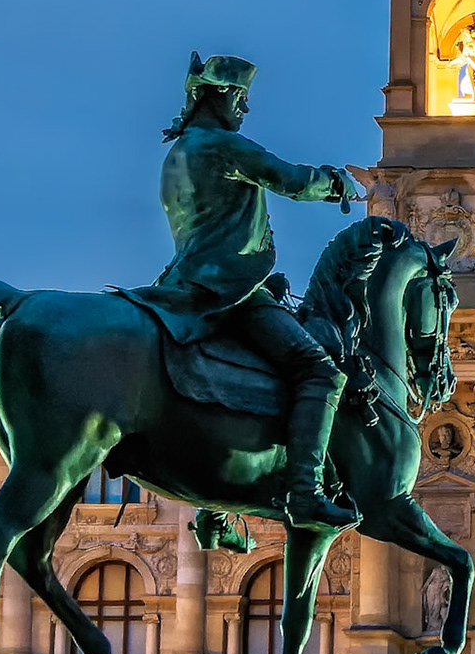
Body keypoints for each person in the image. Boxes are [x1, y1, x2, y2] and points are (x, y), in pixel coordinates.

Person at [134, 53, 361, 530]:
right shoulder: (222, 146)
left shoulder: (177, 153)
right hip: (228, 290)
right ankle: (305, 492)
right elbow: (293, 181)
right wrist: (336, 182)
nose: (245, 109)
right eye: (240, 97)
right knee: (319, 371)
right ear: (218, 98)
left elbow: (214, 227)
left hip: (185, 282)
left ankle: (214, 511)